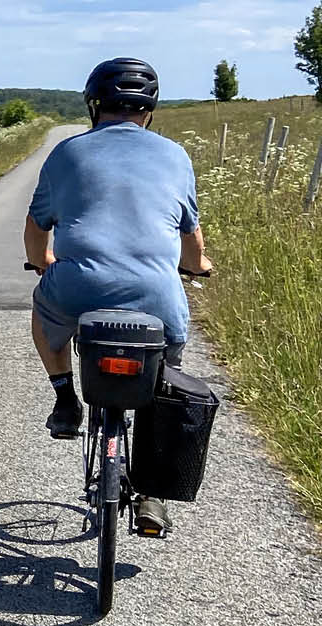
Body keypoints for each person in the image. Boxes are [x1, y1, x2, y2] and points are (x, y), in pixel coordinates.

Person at [23, 57, 212, 533]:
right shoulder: (175, 155)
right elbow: (191, 237)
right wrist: (197, 266)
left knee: (44, 310)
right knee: (164, 380)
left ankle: (66, 399)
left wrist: (43, 262)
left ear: (94, 105)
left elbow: (36, 227)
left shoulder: (66, 153)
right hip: (156, 296)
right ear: (149, 110)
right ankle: (151, 495)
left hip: (77, 287)